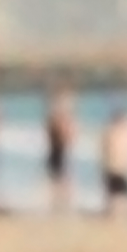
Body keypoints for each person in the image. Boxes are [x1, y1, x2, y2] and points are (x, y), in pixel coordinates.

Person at [43, 84, 79, 215]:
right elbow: (67, 135)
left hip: (57, 152)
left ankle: (59, 205)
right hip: (57, 152)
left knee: (59, 179)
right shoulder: (56, 121)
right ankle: (60, 205)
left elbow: (68, 136)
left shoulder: (54, 120)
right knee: (61, 179)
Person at [103, 99, 127, 218]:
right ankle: (118, 215)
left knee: (116, 195)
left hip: (115, 168)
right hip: (118, 169)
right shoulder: (115, 132)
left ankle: (115, 214)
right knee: (122, 195)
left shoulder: (112, 131)